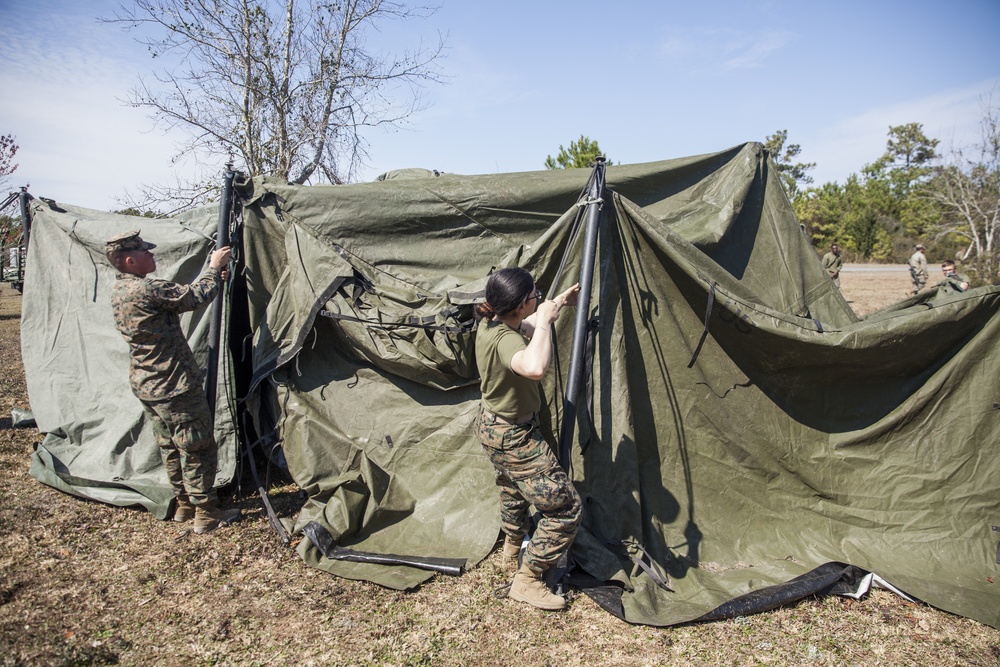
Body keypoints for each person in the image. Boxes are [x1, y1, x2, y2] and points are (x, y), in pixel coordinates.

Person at [106, 230, 241, 535]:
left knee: (170, 445)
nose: (152, 255)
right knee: (197, 445)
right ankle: (206, 512)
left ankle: (184, 504)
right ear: (130, 260)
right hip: (173, 383)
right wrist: (214, 266)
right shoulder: (146, 290)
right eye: (145, 252)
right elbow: (196, 296)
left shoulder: (120, 290)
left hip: (146, 382)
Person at [474, 267, 582, 611]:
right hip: (514, 437)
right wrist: (548, 322)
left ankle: (512, 544)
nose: (538, 297)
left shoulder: (492, 323)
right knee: (566, 510)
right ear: (519, 305)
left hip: (492, 427)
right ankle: (528, 580)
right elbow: (534, 367)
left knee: (512, 488)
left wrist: (558, 303)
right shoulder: (506, 339)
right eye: (534, 295)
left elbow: (527, 325)